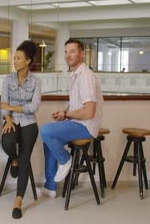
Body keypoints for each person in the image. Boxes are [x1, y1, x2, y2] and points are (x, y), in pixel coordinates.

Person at [40, 38, 103, 197]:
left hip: (85, 127)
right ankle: (50, 186)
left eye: (72, 51)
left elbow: (89, 112)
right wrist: (64, 113)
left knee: (46, 131)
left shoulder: (85, 76)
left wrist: (67, 114)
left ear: (82, 54)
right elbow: (78, 106)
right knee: (48, 141)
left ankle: (65, 160)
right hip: (77, 123)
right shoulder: (76, 75)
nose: (68, 55)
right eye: (66, 52)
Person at [1, 40, 41, 219]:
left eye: (18, 58)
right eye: (14, 58)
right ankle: (13, 159)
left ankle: (18, 201)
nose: (14, 61)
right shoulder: (8, 79)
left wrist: (12, 107)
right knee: (7, 143)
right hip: (11, 120)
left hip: (29, 123)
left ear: (28, 61)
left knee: (26, 158)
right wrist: (8, 117)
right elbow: (2, 105)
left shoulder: (36, 81)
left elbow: (33, 108)